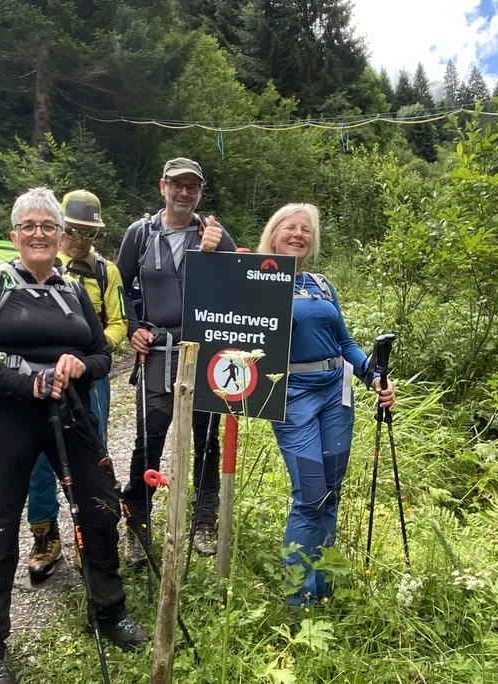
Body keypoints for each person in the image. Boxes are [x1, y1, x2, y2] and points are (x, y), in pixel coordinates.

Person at [0, 188, 146, 684]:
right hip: (8, 416)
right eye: (29, 226)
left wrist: (80, 365)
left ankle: (108, 610)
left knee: (99, 508)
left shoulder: (73, 289)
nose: (39, 233)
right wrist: (25, 382)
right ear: (15, 235)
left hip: (71, 412)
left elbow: (102, 355)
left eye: (48, 226)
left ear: (61, 235)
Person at [255, 203, 395, 608]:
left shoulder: (321, 284)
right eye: (290, 227)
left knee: (331, 492)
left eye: (307, 230)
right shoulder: (259, 281)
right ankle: (298, 598)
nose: (299, 234)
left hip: (336, 394)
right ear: (274, 233)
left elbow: (344, 341)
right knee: (310, 495)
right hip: (292, 397)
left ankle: (323, 587)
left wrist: (373, 375)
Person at [116, 157, 236, 563]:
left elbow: (242, 285)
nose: (184, 193)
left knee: (206, 438)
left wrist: (218, 255)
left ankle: (204, 521)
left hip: (204, 350)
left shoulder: (214, 233)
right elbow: (120, 286)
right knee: (148, 439)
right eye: (177, 185)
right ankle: (137, 525)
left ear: (200, 192)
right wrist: (133, 327)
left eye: (192, 187)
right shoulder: (140, 234)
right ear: (162, 187)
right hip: (157, 351)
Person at [23, 189, 129, 583]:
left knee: (90, 454)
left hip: (89, 378)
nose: (79, 239)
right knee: (38, 457)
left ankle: (90, 535)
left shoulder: (106, 271)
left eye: (89, 232)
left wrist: (91, 353)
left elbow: (119, 322)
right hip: (40, 377)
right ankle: (45, 535)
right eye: (73, 230)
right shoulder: (39, 263)